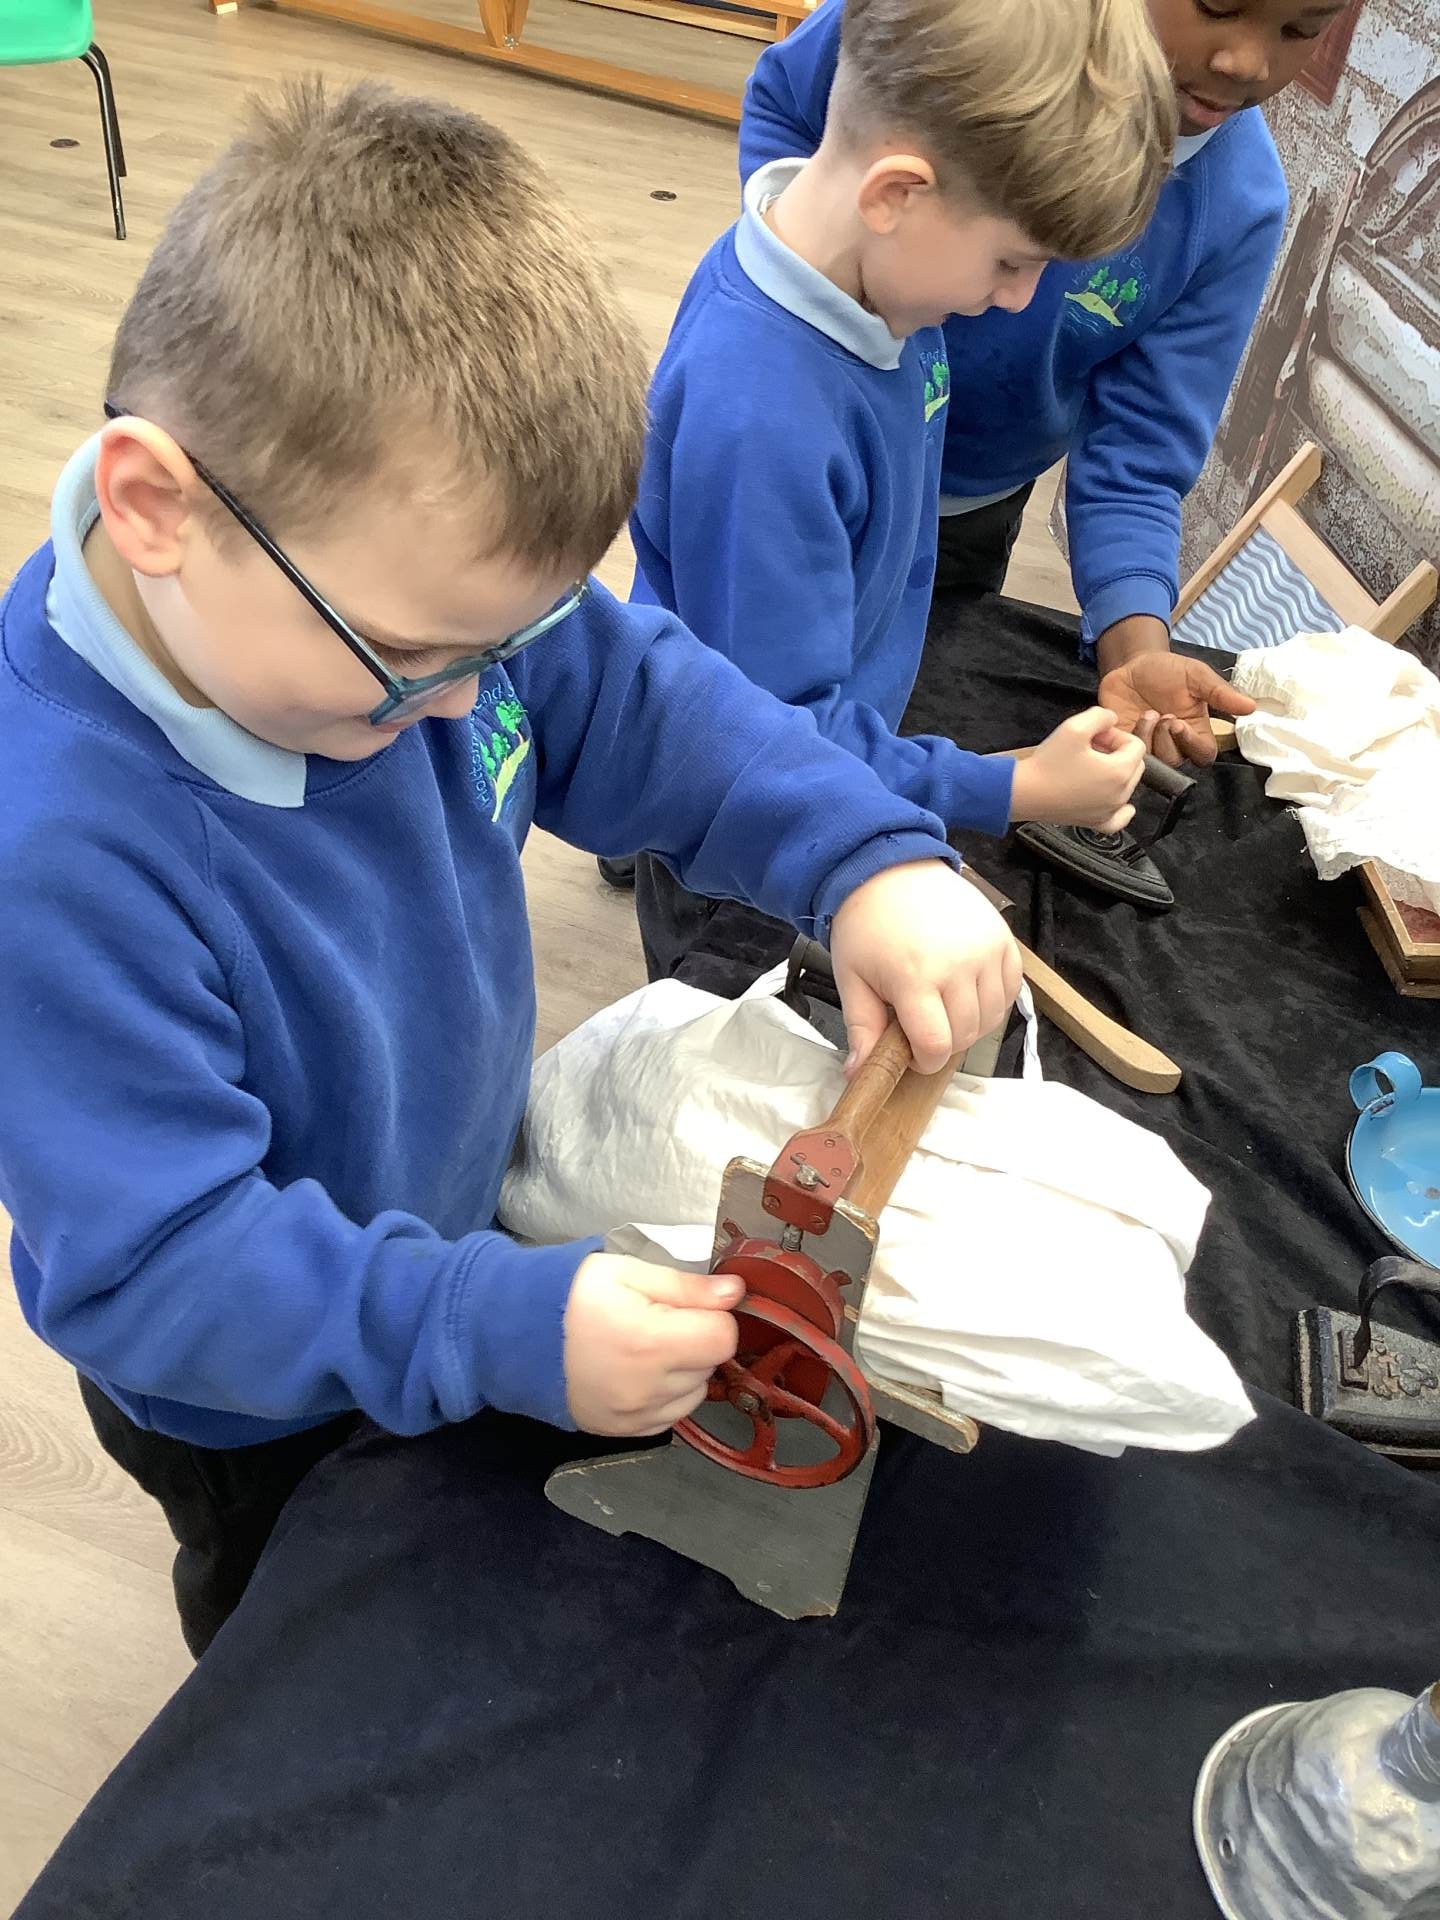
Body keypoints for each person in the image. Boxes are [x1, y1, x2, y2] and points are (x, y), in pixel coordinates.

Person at [0, 81, 1022, 1657]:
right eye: (412, 658)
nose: (470, 706)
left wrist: (863, 854)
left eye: (503, 644)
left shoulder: (401, 612)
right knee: (304, 1634)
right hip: (251, 1388)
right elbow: (162, 1265)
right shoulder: (54, 860)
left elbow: (633, 696)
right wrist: (479, 1323)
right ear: (155, 507)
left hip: (437, 1235)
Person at [626, 0, 1173, 981]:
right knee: (726, 1026)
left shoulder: (876, 290)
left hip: (822, 743)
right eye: (1013, 262)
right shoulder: (764, 416)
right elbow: (777, 743)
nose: (1019, 299)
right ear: (895, 193)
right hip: (744, 845)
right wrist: (1012, 787)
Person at [741, 0, 1349, 768]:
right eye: (1218, 6)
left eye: (1302, 30)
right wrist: (809, 303)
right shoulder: (950, 20)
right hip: (801, 450)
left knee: (873, 715)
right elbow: (783, 103)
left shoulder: (1237, 205)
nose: (1247, 62)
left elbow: (1138, 456)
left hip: (961, 515)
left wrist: (1135, 647)